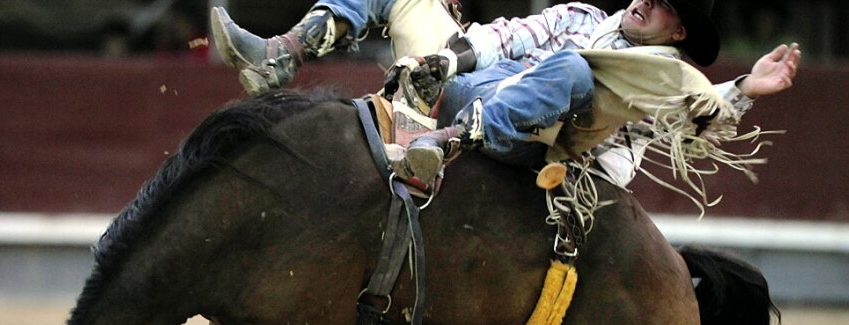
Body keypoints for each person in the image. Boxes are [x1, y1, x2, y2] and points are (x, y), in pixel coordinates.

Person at [211, 1, 800, 191]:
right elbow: (507, 36)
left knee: (572, 70)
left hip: (552, 145)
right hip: (478, 89)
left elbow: (687, 119)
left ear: (679, 33)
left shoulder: (661, 74)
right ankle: (279, 55)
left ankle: (438, 145)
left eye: (670, 4)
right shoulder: (582, 13)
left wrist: (745, 88)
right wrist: (446, 57)